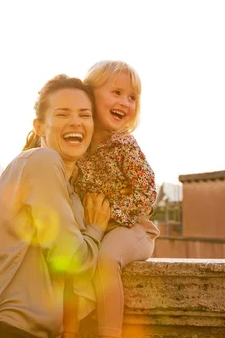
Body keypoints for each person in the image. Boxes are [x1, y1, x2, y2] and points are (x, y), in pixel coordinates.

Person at [0, 74, 111, 338]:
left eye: (85, 114)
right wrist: (96, 229)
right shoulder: (41, 161)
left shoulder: (69, 189)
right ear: (39, 127)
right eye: (63, 114)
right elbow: (72, 260)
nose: (76, 121)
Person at [63, 60, 160, 338]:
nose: (125, 102)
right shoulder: (80, 145)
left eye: (132, 97)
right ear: (90, 96)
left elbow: (147, 192)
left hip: (133, 229)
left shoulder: (124, 145)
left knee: (106, 260)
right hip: (96, 229)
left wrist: (112, 214)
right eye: (116, 93)